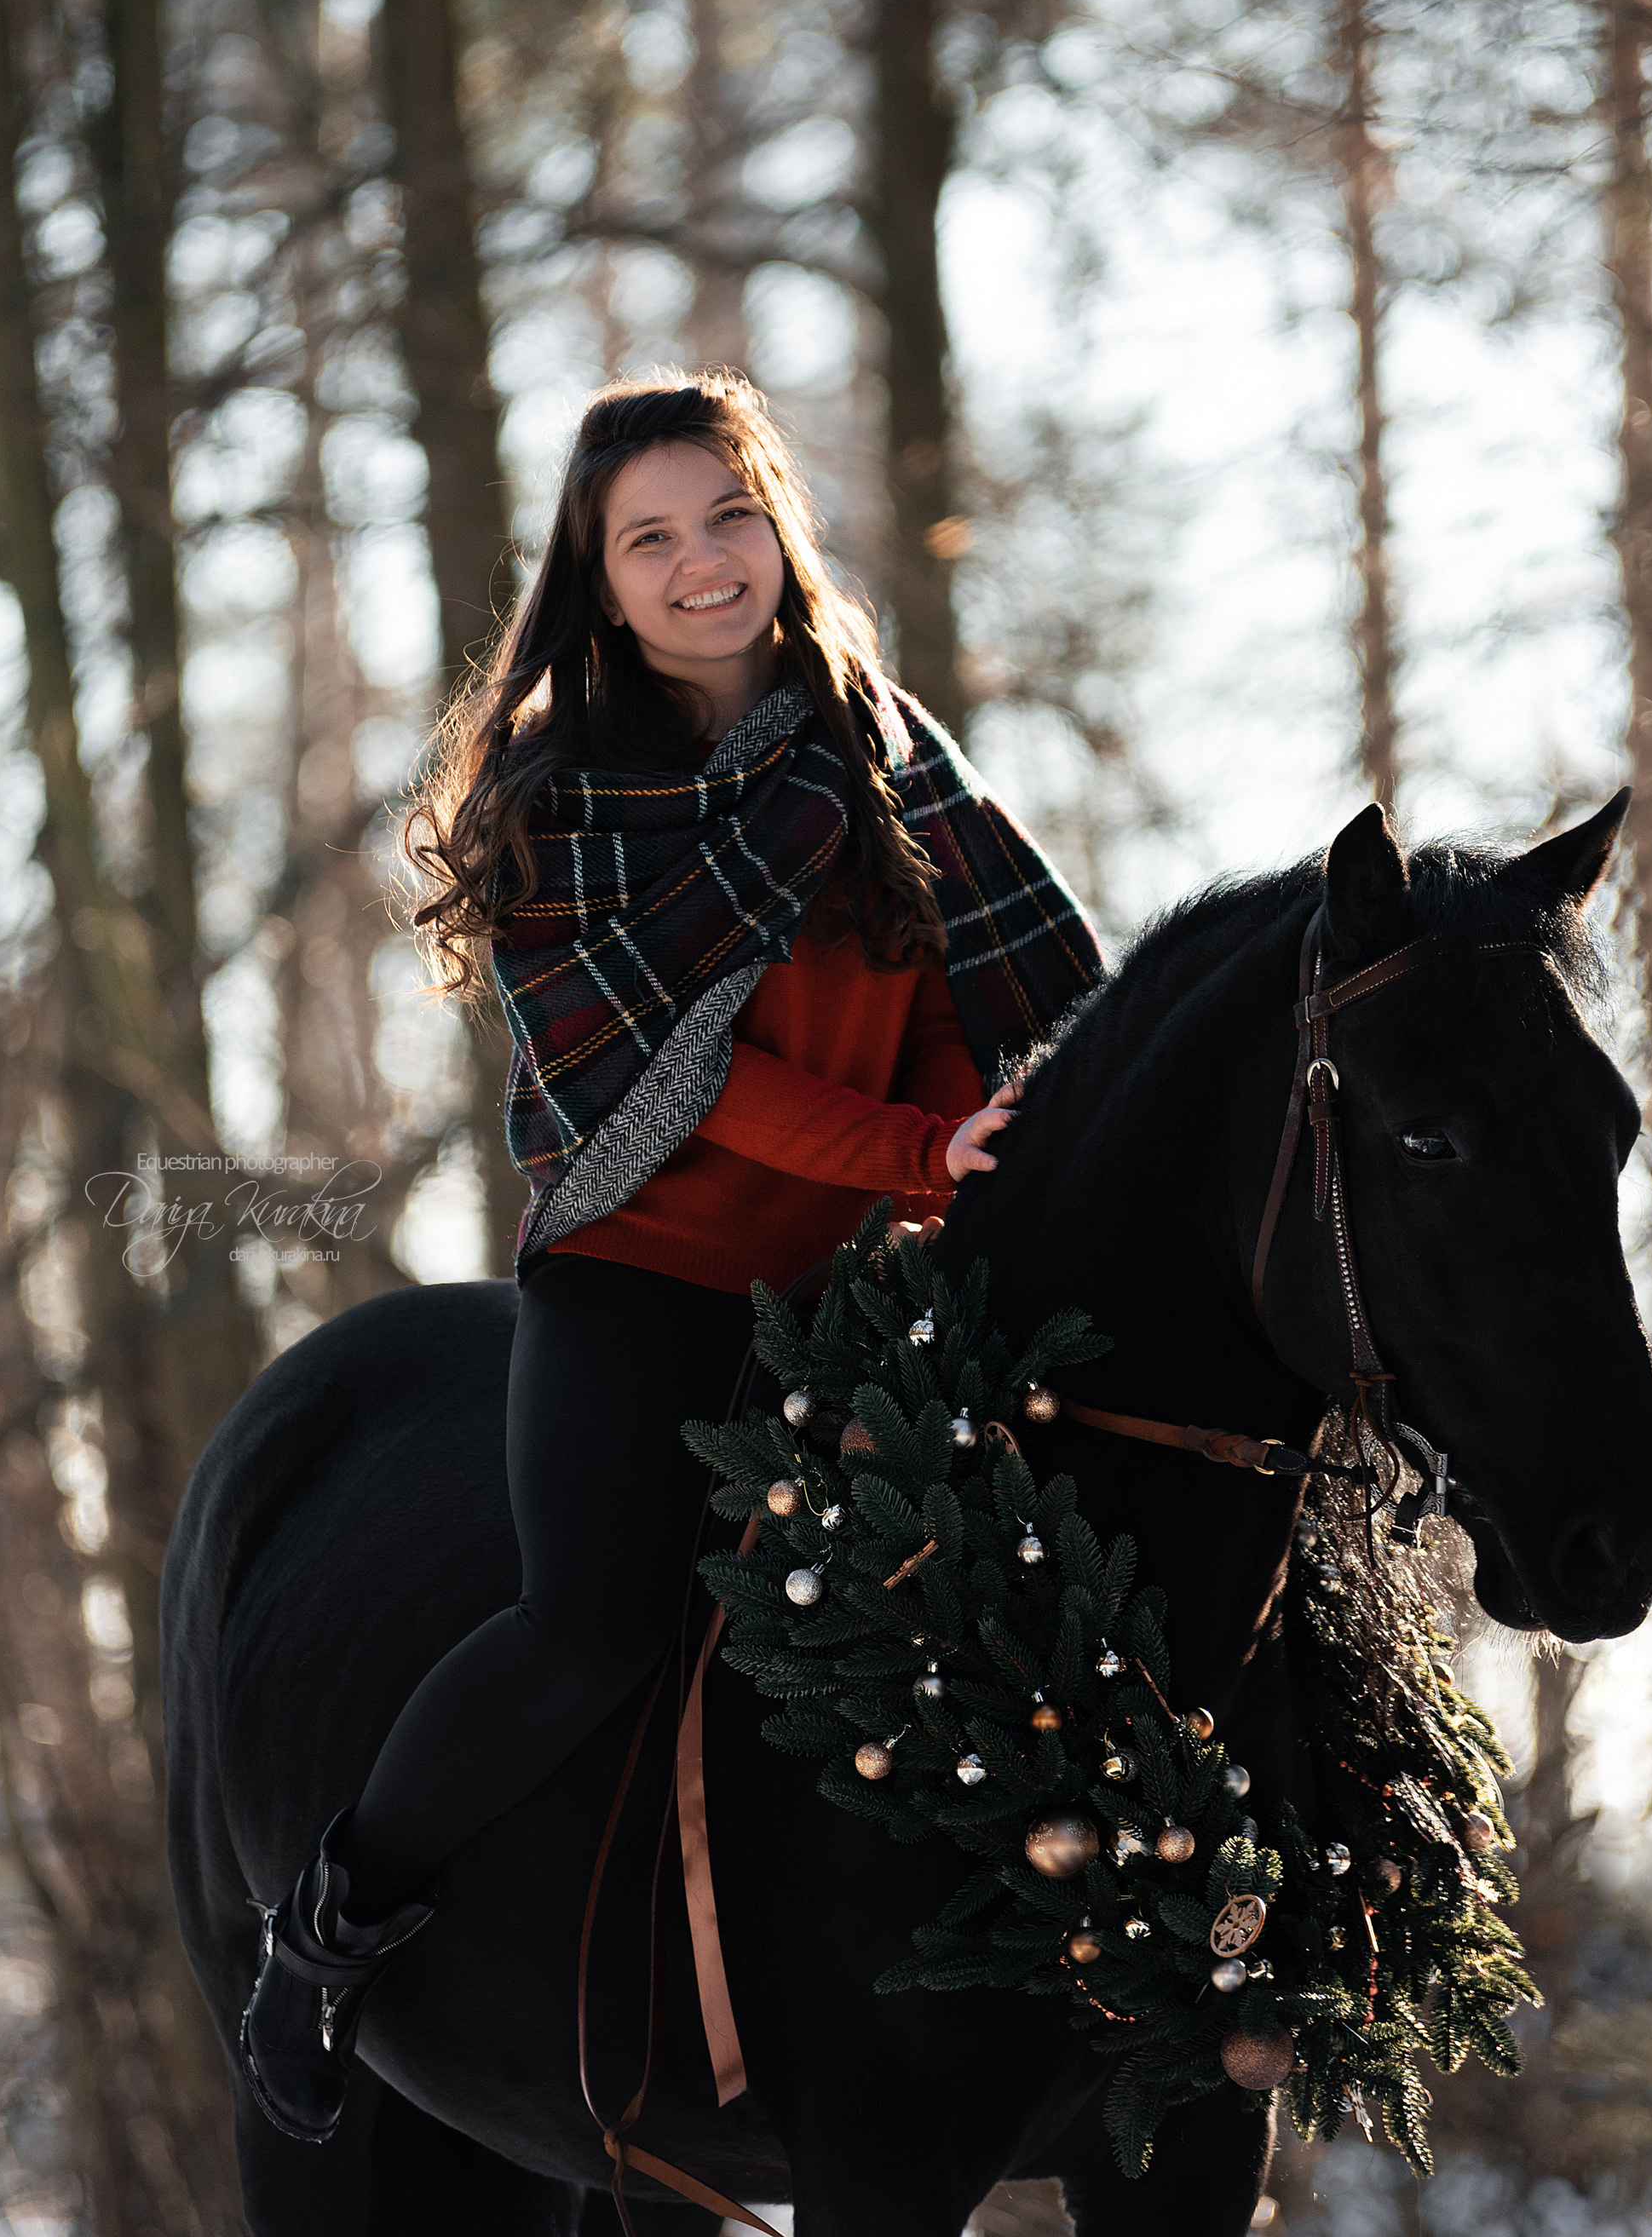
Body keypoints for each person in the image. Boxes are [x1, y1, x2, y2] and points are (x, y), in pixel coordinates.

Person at [240, 372, 1103, 2141]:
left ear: (778, 528)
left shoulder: (884, 755)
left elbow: (971, 1000)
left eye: (729, 517)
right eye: (652, 539)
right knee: (588, 1630)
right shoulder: (563, 793)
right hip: (643, 1279)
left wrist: (972, 1144)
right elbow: (686, 1080)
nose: (703, 563)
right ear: (602, 579)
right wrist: (919, 1154)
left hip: (859, 1289)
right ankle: (324, 1940)